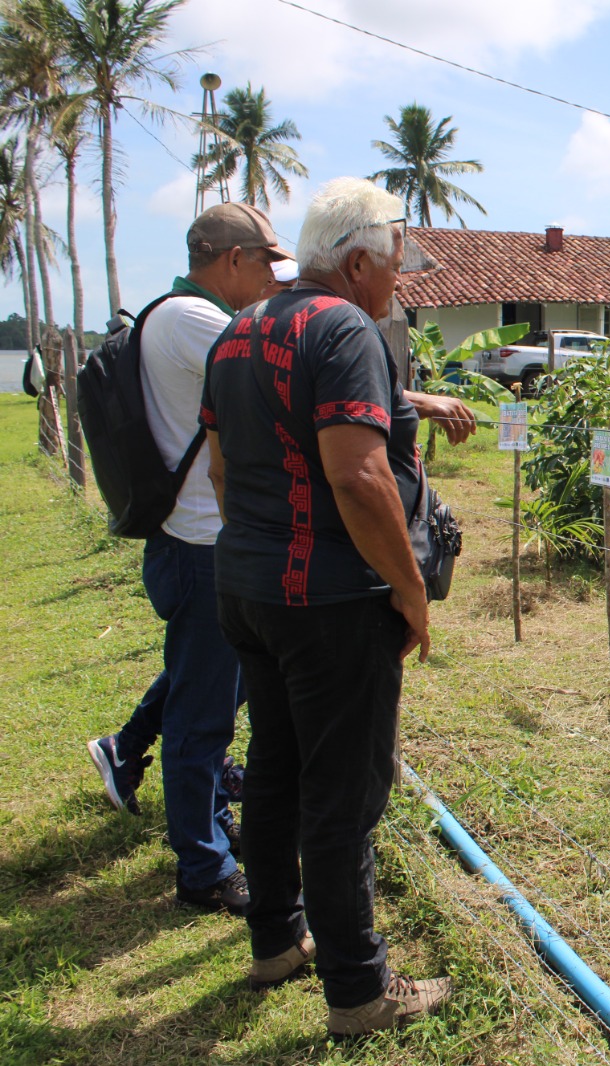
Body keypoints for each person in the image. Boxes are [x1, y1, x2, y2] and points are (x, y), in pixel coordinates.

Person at [202, 177, 454, 1035]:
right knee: (344, 794)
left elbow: (223, 473)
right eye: (392, 267)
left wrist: (265, 552)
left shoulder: (240, 332)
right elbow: (358, 474)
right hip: (329, 602)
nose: (397, 284)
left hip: (247, 588)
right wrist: (410, 594)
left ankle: (275, 939)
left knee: (273, 764)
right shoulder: (345, 328)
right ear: (355, 263)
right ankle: (359, 991)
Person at [85, 203, 292, 916]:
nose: (273, 279)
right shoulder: (192, 320)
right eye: (269, 262)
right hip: (202, 546)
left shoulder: (181, 317)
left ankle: (131, 749)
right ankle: (203, 866)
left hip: (197, 540)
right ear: (233, 258)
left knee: (205, 684)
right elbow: (287, 376)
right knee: (204, 717)